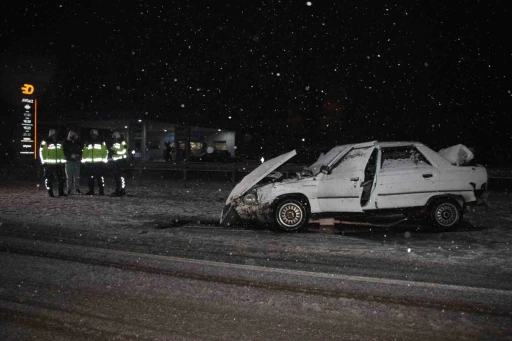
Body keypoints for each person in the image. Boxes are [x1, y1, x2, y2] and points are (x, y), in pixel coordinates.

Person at [39, 129, 67, 197]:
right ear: (51, 134)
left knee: (61, 178)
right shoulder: (45, 141)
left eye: (55, 134)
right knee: (49, 179)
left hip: (57, 164)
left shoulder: (58, 142)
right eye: (54, 134)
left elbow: (61, 152)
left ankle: (61, 192)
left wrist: (62, 162)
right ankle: (50, 193)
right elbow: (41, 152)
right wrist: (43, 162)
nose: (55, 135)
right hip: (48, 164)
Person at [82, 129, 108, 195]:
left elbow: (105, 152)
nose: (92, 136)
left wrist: (104, 161)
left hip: (99, 163)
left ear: (96, 135)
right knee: (90, 178)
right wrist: (84, 160)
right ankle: (91, 190)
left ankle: (101, 190)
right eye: (91, 134)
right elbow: (84, 152)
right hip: (90, 163)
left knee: (100, 177)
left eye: (93, 134)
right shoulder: (87, 142)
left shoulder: (101, 142)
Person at [63, 130, 82, 194]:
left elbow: (80, 150)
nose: (73, 137)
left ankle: (77, 188)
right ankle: (69, 189)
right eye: (72, 136)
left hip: (76, 161)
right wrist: (70, 155)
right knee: (69, 176)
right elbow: (64, 151)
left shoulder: (78, 142)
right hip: (69, 161)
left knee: (77, 176)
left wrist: (78, 155)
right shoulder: (66, 142)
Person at [109, 131, 128, 196]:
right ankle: (118, 189)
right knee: (116, 176)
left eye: (115, 137)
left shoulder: (123, 142)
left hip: (121, 161)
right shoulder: (115, 143)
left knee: (121, 176)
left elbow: (124, 150)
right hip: (116, 161)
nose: (114, 139)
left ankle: (122, 190)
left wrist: (115, 151)